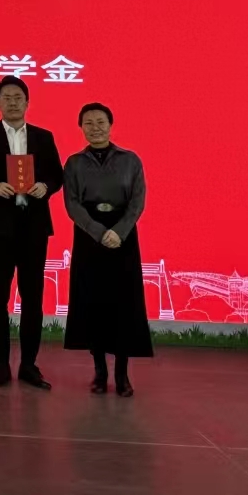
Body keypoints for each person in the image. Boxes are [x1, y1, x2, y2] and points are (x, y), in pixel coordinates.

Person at [0, 75, 64, 390]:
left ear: (28, 102)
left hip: (34, 227)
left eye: (18, 97)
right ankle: (1, 364)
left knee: (33, 298)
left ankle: (29, 365)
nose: (13, 102)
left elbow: (57, 175)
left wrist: (45, 186)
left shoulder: (43, 137)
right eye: (6, 97)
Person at [63, 103, 153, 396]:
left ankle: (122, 374)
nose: (95, 128)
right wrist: (99, 233)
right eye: (88, 123)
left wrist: (119, 232)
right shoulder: (74, 163)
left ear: (111, 125)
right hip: (89, 236)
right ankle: (99, 372)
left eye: (100, 122)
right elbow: (72, 204)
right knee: (93, 302)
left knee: (123, 304)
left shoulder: (130, 160)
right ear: (81, 128)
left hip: (122, 237)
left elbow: (137, 201)